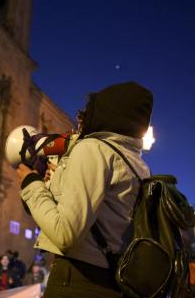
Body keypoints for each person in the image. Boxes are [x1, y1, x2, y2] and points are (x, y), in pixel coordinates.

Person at [16, 81, 153, 297]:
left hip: (77, 281)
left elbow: (65, 233)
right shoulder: (137, 164)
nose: (82, 119)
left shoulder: (93, 150)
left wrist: (31, 183)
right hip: (112, 280)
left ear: (107, 112)